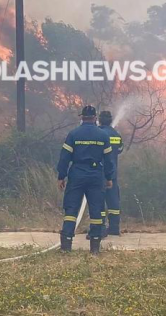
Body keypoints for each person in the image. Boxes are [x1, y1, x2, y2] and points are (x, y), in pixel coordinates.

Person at [57, 106, 114, 254]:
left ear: (82, 117)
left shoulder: (73, 134)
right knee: (96, 210)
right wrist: (109, 177)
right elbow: (109, 160)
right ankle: (95, 247)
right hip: (96, 176)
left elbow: (64, 157)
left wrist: (61, 176)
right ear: (95, 118)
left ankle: (66, 246)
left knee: (71, 209)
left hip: (77, 174)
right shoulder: (103, 136)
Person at [98, 110, 124, 236]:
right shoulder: (116, 135)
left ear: (99, 120)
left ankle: (100, 227)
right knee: (113, 201)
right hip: (112, 174)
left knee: (98, 200)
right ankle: (114, 228)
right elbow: (120, 150)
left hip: (99, 173)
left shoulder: (97, 133)